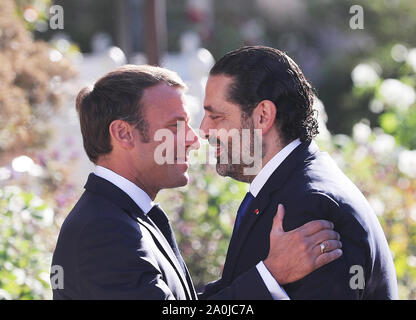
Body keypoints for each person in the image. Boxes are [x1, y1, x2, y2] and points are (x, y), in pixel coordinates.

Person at [51, 64, 342, 300]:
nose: (193, 138)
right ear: (124, 134)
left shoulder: (125, 215)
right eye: (175, 126)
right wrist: (270, 274)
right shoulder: (102, 230)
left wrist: (263, 270)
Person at [199, 46, 398, 299]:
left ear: (262, 116)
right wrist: (267, 274)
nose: (204, 130)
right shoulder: (290, 184)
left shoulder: (309, 205)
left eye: (216, 117)